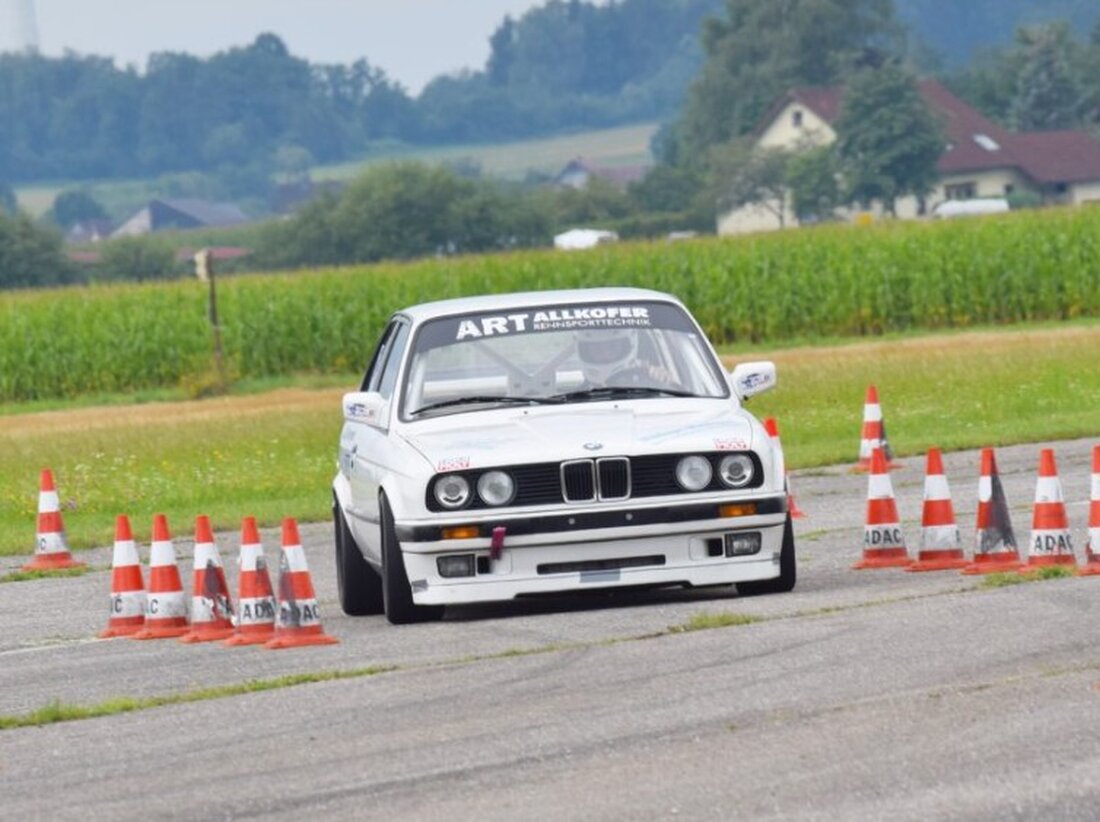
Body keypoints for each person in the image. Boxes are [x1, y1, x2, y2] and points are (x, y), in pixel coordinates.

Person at [574, 328, 676, 388]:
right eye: (596, 347)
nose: (605, 353)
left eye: (612, 346)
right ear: (585, 351)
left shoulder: (648, 384)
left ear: (628, 346)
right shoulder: (573, 400)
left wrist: (663, 378)